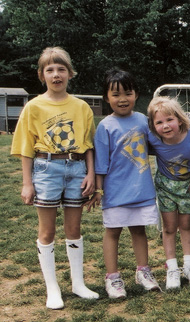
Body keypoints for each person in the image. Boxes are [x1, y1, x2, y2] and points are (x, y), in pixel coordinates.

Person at [10, 47, 99, 309]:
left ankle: (78, 283)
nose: (56, 74)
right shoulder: (34, 107)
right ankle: (53, 288)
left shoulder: (81, 107)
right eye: (50, 70)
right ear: (42, 75)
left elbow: (89, 145)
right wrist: (27, 183)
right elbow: (26, 147)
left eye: (61, 69)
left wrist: (91, 174)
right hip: (46, 170)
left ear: (70, 73)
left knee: (74, 229)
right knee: (47, 231)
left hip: (77, 171)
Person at [88, 68, 161, 299]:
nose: (122, 99)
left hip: (141, 189)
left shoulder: (143, 120)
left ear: (136, 95)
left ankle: (143, 272)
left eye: (127, 93)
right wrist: (98, 189)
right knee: (113, 232)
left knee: (139, 230)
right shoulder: (105, 126)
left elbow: (158, 146)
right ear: (106, 98)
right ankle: (113, 278)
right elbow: (100, 163)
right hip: (115, 191)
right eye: (116, 94)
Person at [146, 96, 190, 290]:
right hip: (166, 188)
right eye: (159, 122)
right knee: (170, 227)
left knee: (186, 226)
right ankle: (171, 268)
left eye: (169, 120)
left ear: (180, 119)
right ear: (153, 126)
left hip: (189, 186)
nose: (165, 126)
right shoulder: (154, 141)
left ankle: (189, 266)